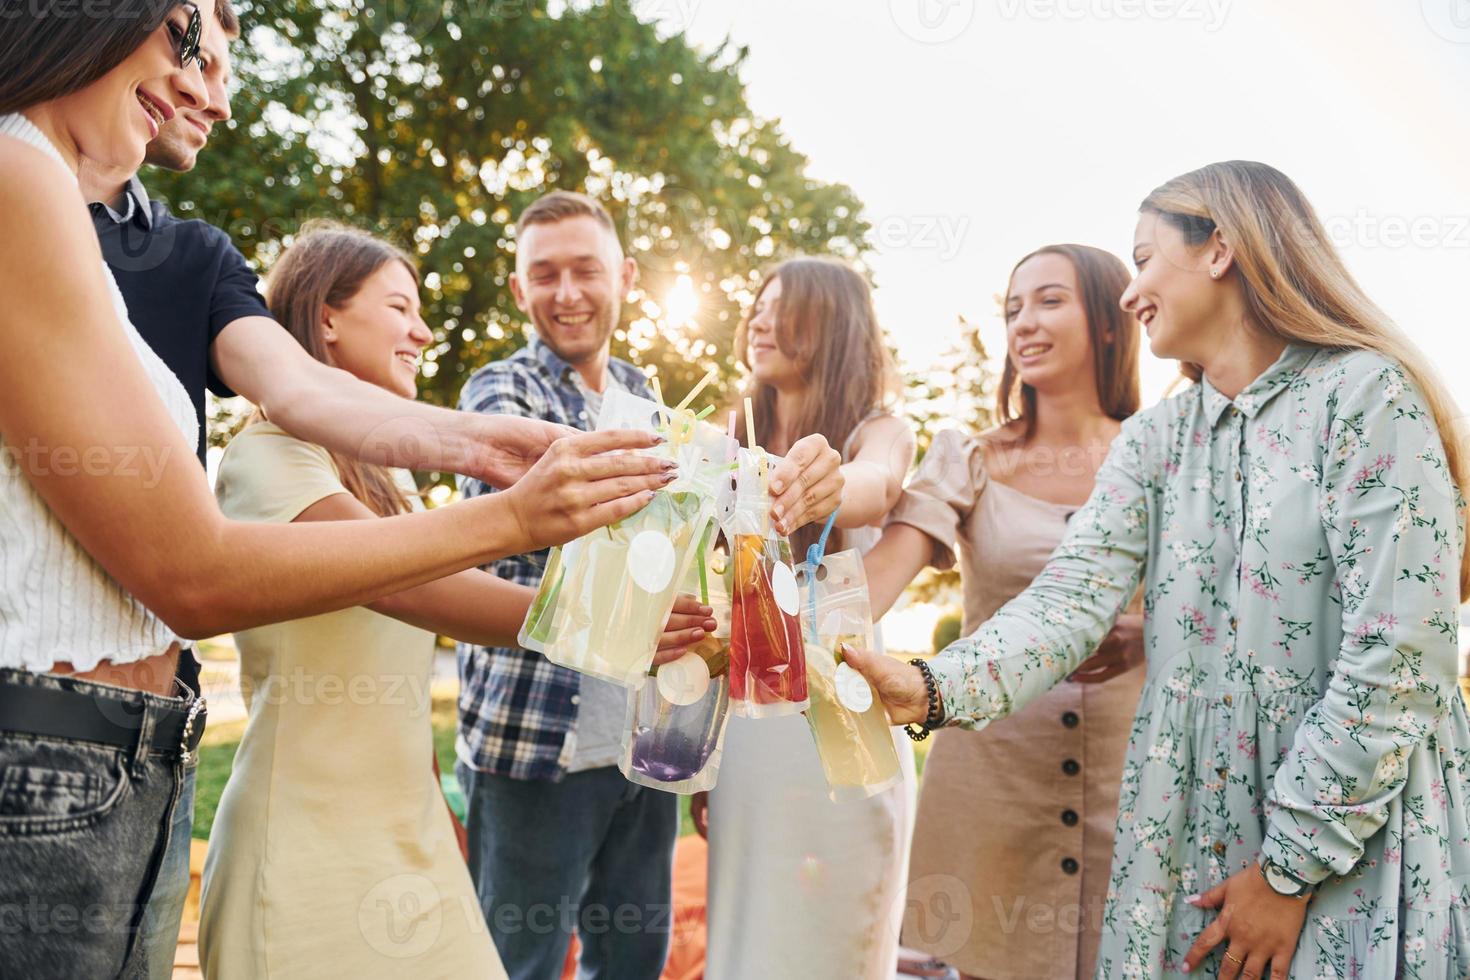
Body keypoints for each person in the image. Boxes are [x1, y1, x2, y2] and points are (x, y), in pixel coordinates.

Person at [0, 7, 667, 975]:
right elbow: (193, 570)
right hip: (44, 755)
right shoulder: (21, 176)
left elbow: (311, 389)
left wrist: (491, 445)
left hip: (145, 763)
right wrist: (513, 515)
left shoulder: (166, 239)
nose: (209, 92)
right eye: (186, 41)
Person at [848, 161, 1470, 979]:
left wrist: (1289, 868)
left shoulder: (1366, 395)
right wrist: (930, 687)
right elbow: (1069, 599)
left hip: (1352, 830)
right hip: (1182, 830)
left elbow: (1402, 652)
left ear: (1220, 249)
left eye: (1144, 258)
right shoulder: (1156, 441)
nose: (1131, 292)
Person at [199, 221, 712, 978]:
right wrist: (613, 625)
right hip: (307, 837)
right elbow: (416, 589)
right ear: (328, 317)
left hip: (408, 830)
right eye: (401, 307)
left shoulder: (389, 478)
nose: (423, 329)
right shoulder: (269, 457)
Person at [454, 192, 844, 980]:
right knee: (517, 960)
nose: (567, 293)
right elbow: (535, 526)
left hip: (645, 736)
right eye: (545, 274)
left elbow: (698, 554)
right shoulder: (501, 393)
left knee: (634, 957)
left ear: (625, 276)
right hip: (537, 746)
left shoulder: (654, 400)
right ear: (519, 288)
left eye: (586, 270)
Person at [862, 244, 1145, 979]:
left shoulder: (1164, 455)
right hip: (991, 783)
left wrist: (1151, 632)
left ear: (1112, 323)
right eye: (1013, 308)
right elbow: (878, 580)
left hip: (1137, 784)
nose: (1024, 323)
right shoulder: (967, 458)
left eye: (1050, 300)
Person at [693, 256, 919, 980]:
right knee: (749, 933)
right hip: (747, 735)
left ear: (831, 325)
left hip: (841, 726)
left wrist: (823, 484)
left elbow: (876, 483)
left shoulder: (879, 427)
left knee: (836, 941)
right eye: (756, 304)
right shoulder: (724, 436)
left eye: (782, 307)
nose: (758, 318)